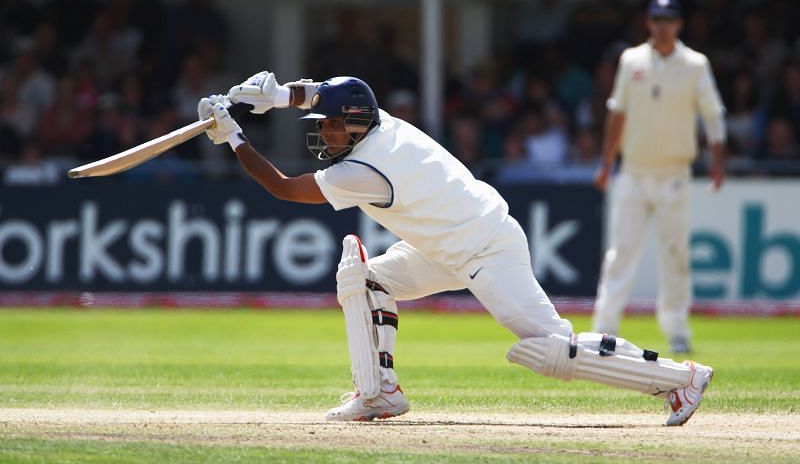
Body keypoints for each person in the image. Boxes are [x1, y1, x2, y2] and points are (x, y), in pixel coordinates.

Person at [196, 72, 714, 425]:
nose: (325, 133)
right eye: (324, 123)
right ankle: (379, 393)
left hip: (484, 250)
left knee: (552, 348)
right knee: (364, 278)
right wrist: (277, 96)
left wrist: (236, 137)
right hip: (442, 248)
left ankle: (680, 378)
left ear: (355, 124)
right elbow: (328, 94)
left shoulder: (361, 170)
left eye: (332, 126)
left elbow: (285, 187)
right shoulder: (382, 123)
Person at [593, 0, 727, 354]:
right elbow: (617, 113)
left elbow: (712, 113)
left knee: (675, 255)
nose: (662, 25)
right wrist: (607, 164)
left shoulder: (695, 64)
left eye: (668, 19)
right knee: (621, 253)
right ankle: (604, 329)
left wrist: (718, 159)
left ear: (679, 24)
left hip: (674, 174)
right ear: (649, 23)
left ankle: (677, 330)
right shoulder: (631, 60)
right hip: (634, 172)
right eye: (656, 19)